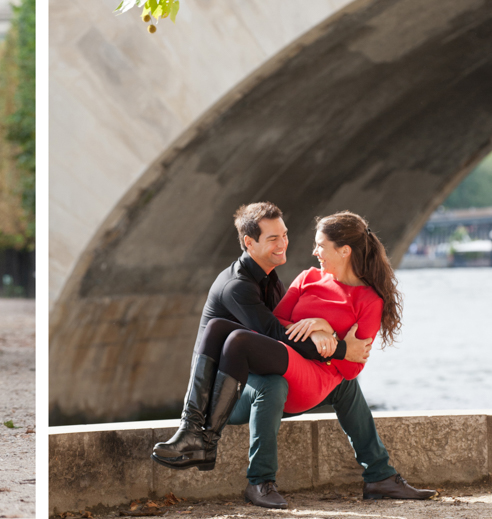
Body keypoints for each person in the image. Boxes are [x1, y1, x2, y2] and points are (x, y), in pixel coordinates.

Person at [152, 203, 436, 509]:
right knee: (236, 341)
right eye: (275, 238)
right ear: (250, 242)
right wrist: (325, 334)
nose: (312, 251)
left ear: (345, 251)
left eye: (321, 246)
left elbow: (351, 369)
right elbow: (277, 325)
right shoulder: (303, 278)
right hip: (281, 372)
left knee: (247, 345)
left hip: (316, 378)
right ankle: (377, 475)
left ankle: (204, 440)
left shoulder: (368, 300)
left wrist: (328, 336)